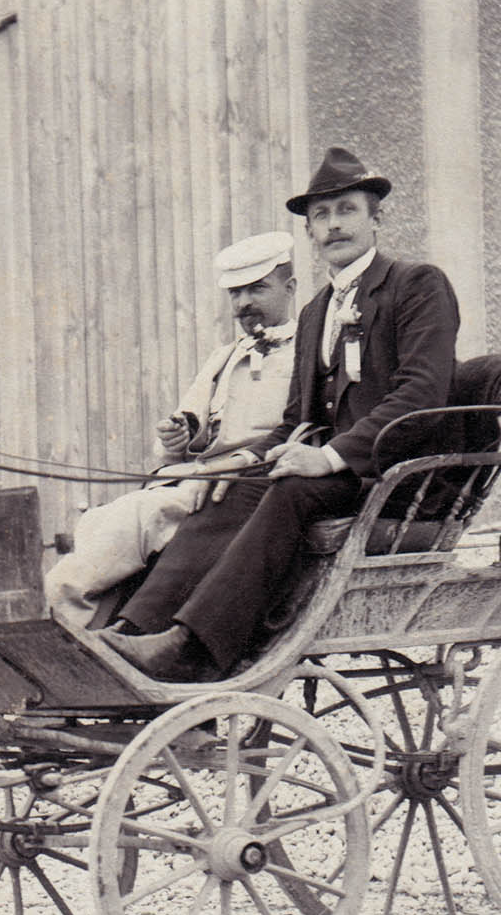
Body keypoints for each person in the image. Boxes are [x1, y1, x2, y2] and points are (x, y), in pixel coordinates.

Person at [100, 147, 461, 680]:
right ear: (310, 232)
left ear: (375, 217)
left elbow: (422, 396)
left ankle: (190, 649)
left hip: (400, 479)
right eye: (321, 216)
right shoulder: (317, 310)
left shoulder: (416, 285)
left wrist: (332, 456)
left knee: (291, 488)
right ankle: (133, 635)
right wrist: (233, 462)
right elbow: (296, 420)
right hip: (338, 478)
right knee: (234, 484)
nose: (334, 224)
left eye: (347, 210)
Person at [44, 232, 301, 634]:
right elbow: (190, 421)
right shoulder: (225, 357)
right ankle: (89, 634)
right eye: (236, 293)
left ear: (290, 289)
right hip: (198, 479)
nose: (245, 303)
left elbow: (303, 426)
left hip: (250, 485)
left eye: (257, 288)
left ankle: (62, 617)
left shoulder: (307, 351)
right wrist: (178, 436)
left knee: (137, 517)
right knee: (100, 521)